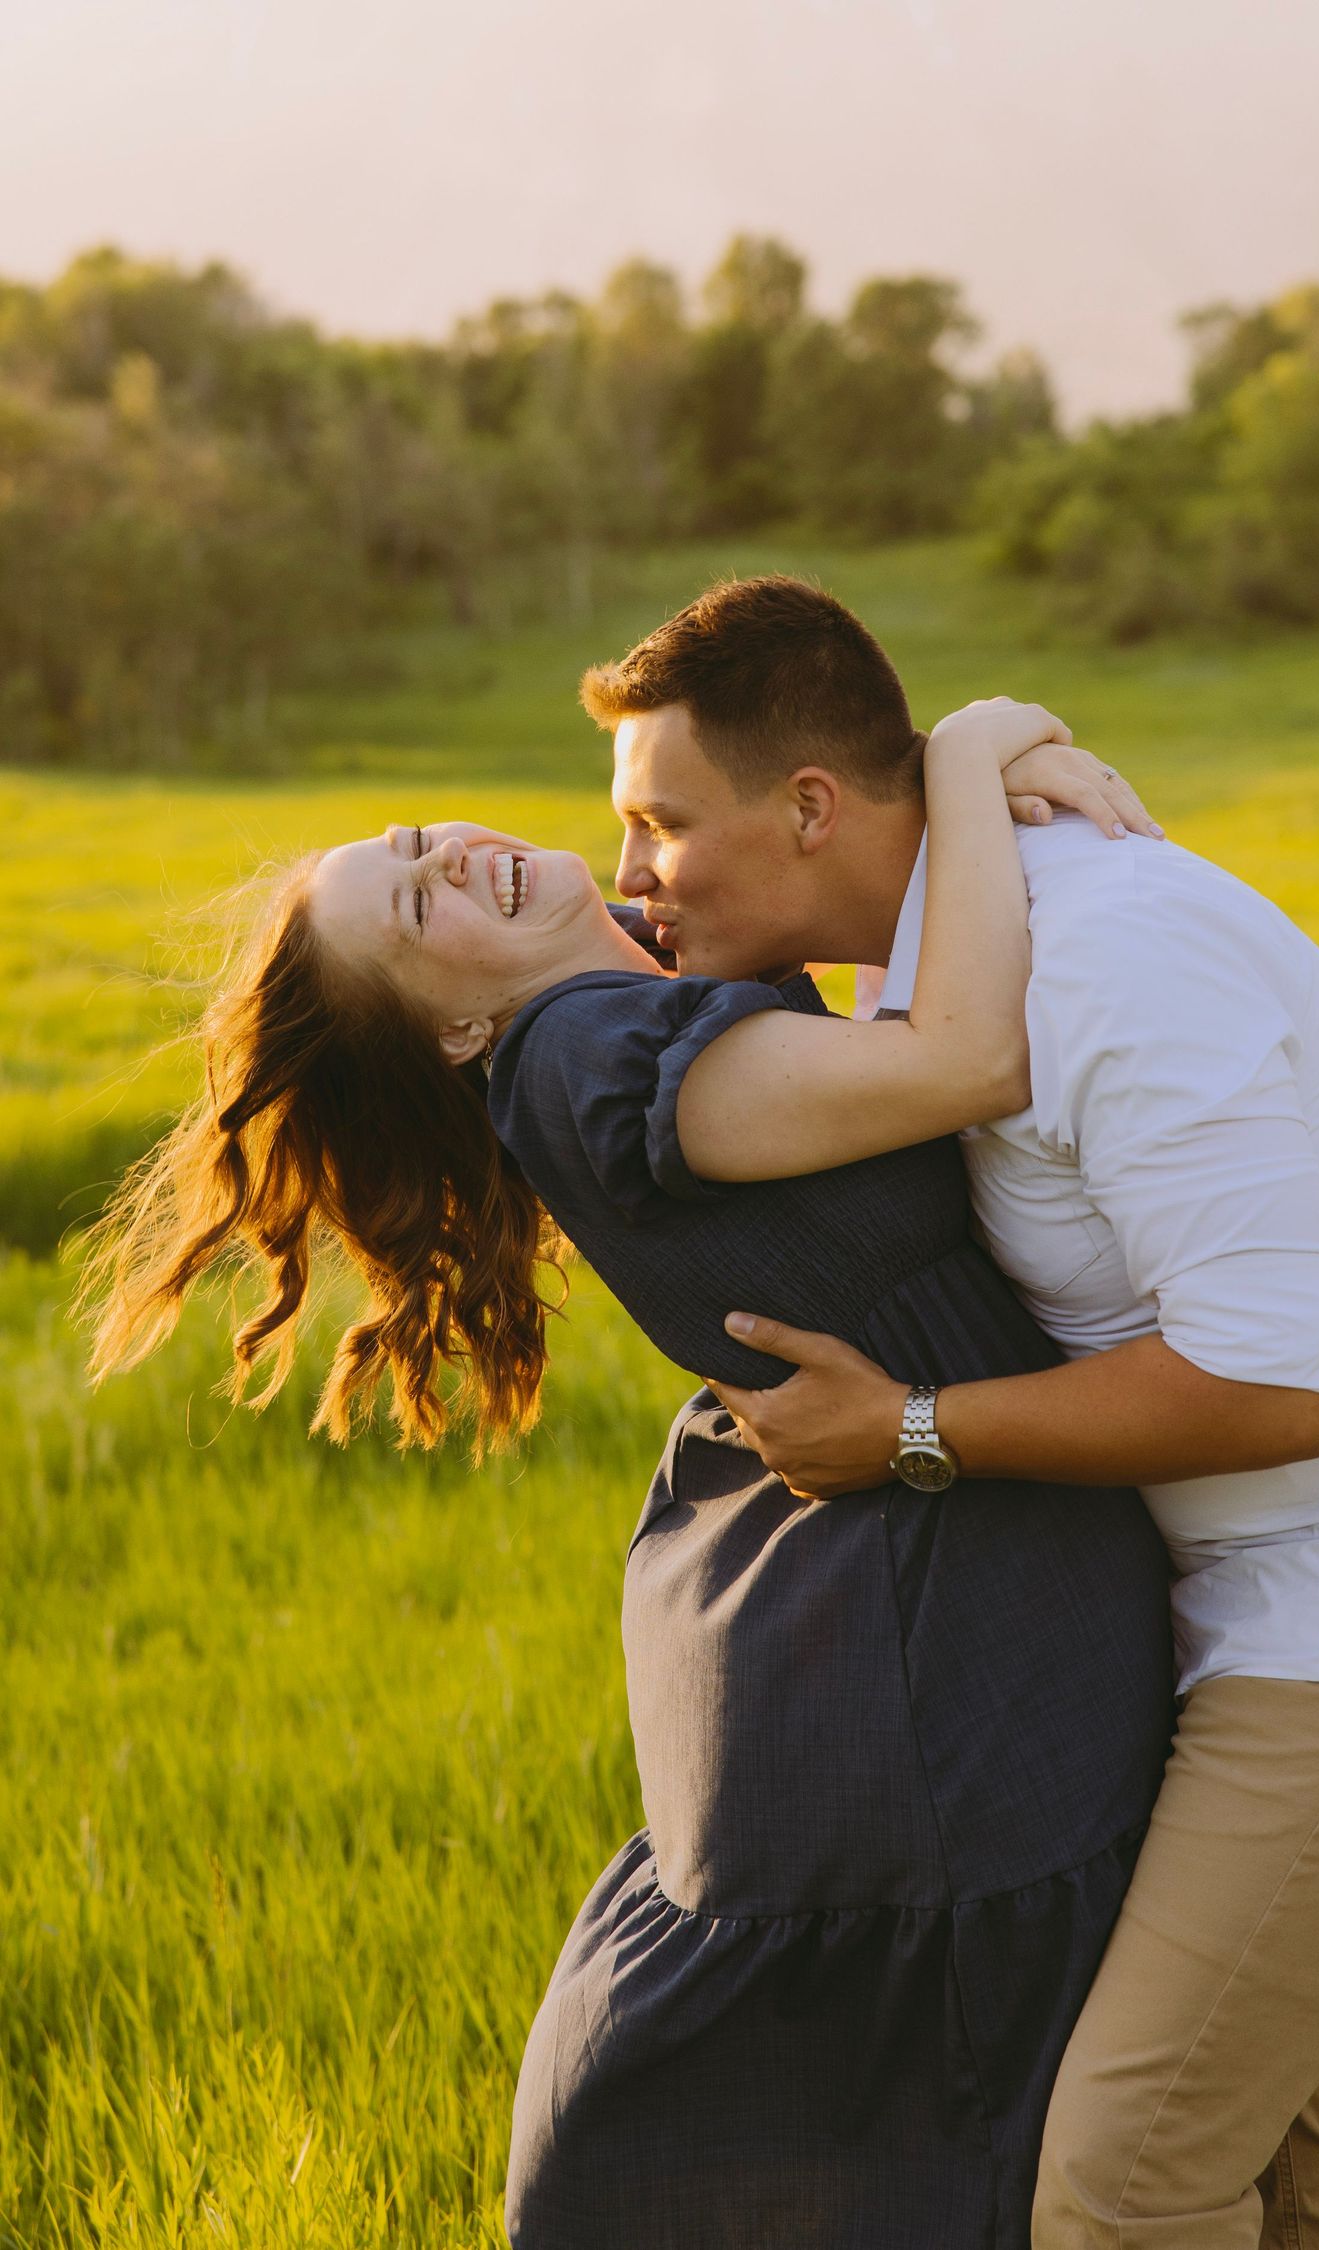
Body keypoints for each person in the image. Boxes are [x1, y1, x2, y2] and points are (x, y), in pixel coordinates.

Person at [83, 687, 1177, 2248]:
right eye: (420, 907)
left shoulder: (646, 984)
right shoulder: (584, 1055)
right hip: (934, 1663)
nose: (456, 860)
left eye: (417, 841)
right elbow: (967, 1058)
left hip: (915, 1603)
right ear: (454, 1031)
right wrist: (972, 745)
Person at [606, 579, 1319, 2248]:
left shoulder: (1106, 957)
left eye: (661, 822)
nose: (631, 873)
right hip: (1228, 1606)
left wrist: (911, 1428)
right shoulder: (944, 967)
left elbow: (1277, 1384)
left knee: (1127, 2178)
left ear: (810, 808)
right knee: (1289, 2171)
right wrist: (980, 747)